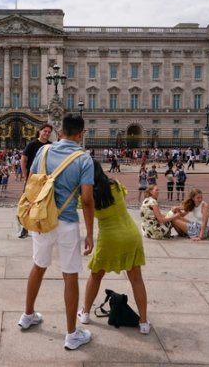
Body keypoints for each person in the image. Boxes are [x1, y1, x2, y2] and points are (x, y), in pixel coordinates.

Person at [18, 114, 95, 351]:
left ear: (60, 130)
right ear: (81, 133)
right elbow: (87, 200)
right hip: (67, 222)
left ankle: (28, 315)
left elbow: (31, 182)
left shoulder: (43, 151)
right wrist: (90, 234)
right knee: (70, 275)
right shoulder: (84, 159)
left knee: (38, 266)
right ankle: (72, 334)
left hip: (42, 218)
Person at [78, 161, 150, 334]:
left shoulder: (86, 195)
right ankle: (144, 323)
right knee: (136, 279)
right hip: (131, 233)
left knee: (95, 276)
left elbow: (81, 205)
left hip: (109, 236)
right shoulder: (116, 184)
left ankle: (86, 313)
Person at [19, 123, 53, 238]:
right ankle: (25, 227)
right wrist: (25, 175)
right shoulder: (32, 144)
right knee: (28, 202)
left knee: (44, 202)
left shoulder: (51, 145)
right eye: (45, 131)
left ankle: (42, 224)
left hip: (44, 179)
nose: (47, 133)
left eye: (49, 132)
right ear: (40, 131)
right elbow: (23, 160)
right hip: (32, 178)